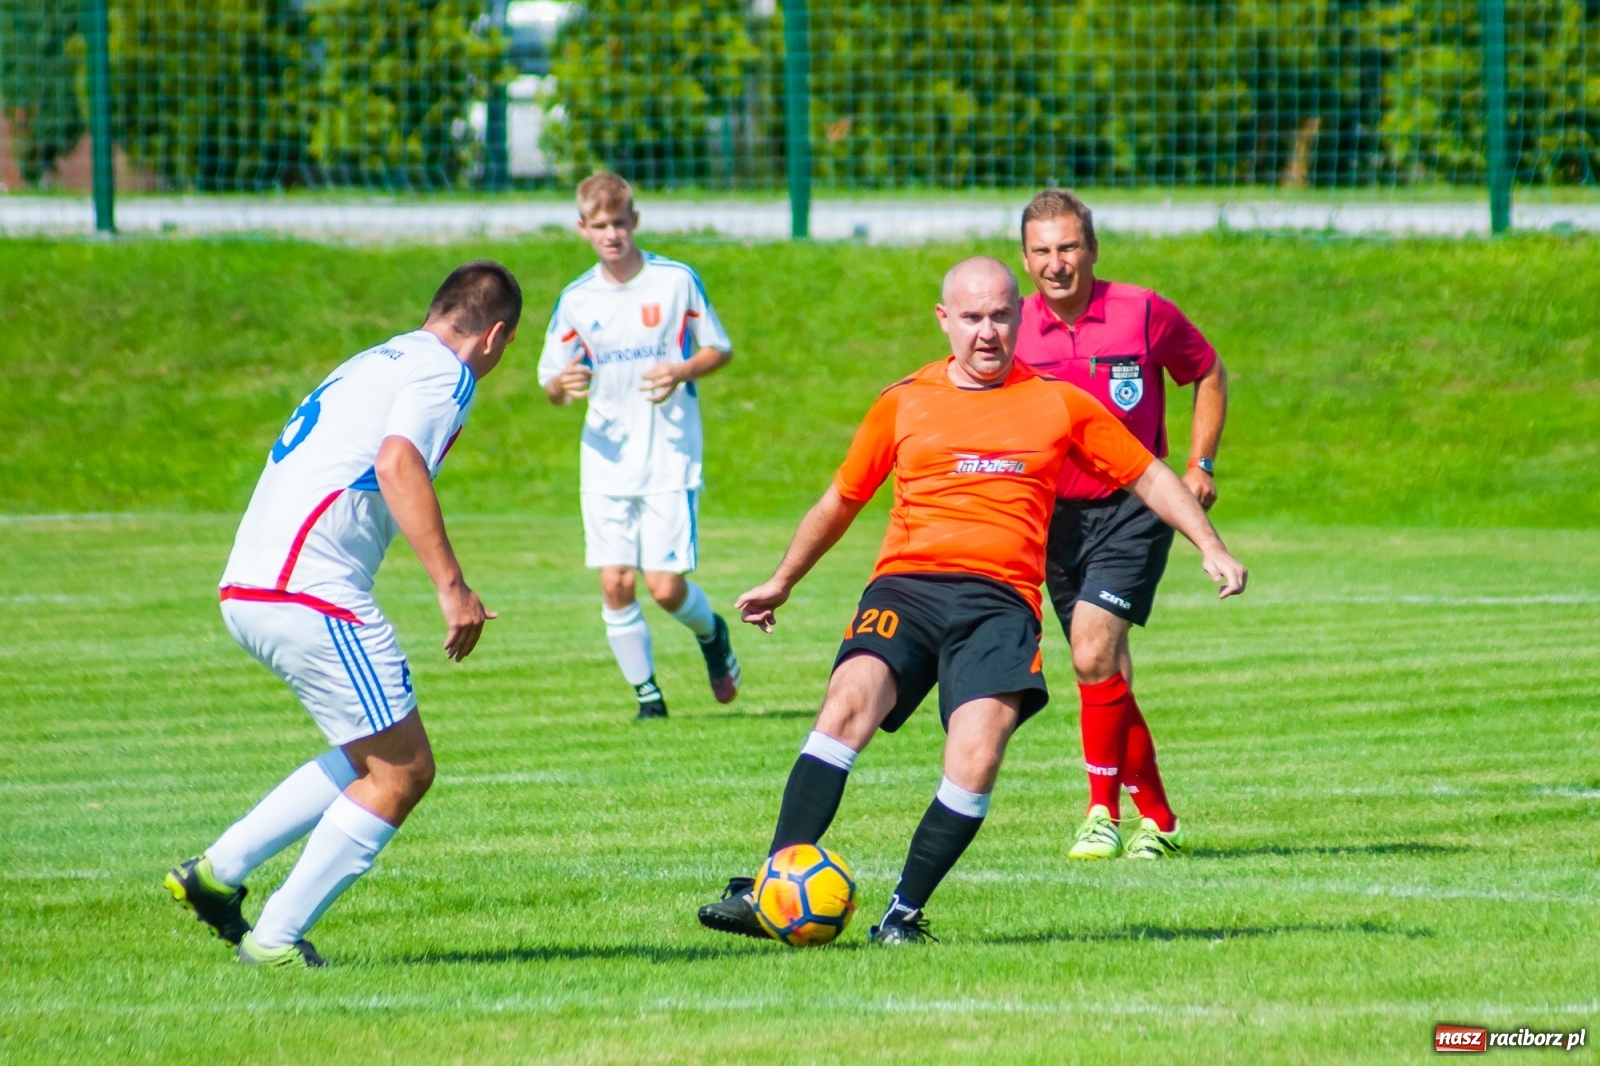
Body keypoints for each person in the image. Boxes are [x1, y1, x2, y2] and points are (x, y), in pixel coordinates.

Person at [696, 257, 1246, 945]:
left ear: (1020, 316)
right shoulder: (904, 400)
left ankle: (902, 915)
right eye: (973, 318)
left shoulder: (1059, 402)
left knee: (977, 755)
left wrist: (1209, 545)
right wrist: (784, 579)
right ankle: (769, 884)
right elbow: (842, 499)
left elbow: (1149, 476)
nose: (988, 332)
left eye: (1000, 316)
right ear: (945, 320)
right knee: (846, 705)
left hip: (1000, 604)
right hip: (907, 586)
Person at [164, 261, 520, 967]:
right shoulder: (445, 373)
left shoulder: (372, 360)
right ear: (495, 336)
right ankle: (274, 940)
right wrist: (452, 587)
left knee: (373, 754)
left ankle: (215, 875)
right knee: (403, 773)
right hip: (310, 588)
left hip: (250, 584)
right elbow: (397, 463)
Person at [1014, 189, 1230, 861]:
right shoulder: (1011, 326)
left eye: (1069, 247)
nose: (1057, 264)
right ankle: (1160, 823)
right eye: (1043, 251)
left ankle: (1100, 815)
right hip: (1054, 519)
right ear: (1025, 259)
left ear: (1093, 249)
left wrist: (1200, 463)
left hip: (1135, 504)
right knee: (1104, 671)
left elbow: (1208, 370)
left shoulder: (1142, 312)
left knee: (1090, 653)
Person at [538, 173, 741, 720]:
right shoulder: (577, 300)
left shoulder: (674, 282)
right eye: (600, 226)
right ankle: (649, 699)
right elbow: (552, 382)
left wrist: (682, 369)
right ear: (582, 229)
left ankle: (712, 633)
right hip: (605, 457)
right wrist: (564, 386)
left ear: (635, 223)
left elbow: (719, 349)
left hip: (669, 454)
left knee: (666, 587)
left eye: (620, 224)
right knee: (615, 580)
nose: (612, 235)